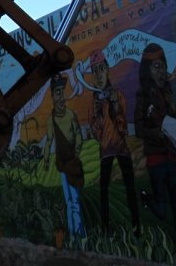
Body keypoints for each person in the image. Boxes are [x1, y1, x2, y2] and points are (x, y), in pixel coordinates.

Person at [134, 43, 176, 265]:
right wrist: (156, 134)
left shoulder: (167, 91)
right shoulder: (143, 95)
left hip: (170, 156)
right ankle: (146, 199)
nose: (161, 71)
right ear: (148, 69)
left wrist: (174, 109)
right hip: (156, 158)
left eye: (163, 66)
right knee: (161, 209)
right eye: (156, 66)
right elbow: (139, 129)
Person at [87, 49, 140, 236]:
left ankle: (136, 226)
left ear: (107, 70)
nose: (98, 74)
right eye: (94, 71)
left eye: (101, 69)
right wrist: (97, 113)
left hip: (121, 149)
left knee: (130, 187)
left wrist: (115, 105)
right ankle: (106, 227)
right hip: (105, 151)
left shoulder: (117, 94)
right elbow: (96, 134)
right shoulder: (93, 100)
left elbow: (123, 127)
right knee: (103, 190)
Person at [43, 73, 86, 240]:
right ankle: (74, 235)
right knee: (69, 202)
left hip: (72, 165)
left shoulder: (70, 115)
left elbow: (78, 136)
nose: (61, 96)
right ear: (53, 96)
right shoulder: (51, 120)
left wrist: (75, 154)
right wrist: (46, 160)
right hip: (62, 167)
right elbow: (48, 142)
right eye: (57, 93)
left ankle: (80, 234)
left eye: (62, 92)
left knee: (75, 201)